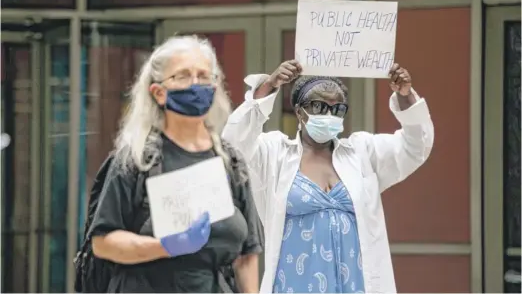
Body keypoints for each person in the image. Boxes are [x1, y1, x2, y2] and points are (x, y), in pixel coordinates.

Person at [222, 60, 434, 293]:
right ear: (299, 111)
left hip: (356, 284)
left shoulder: (362, 152)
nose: (329, 114)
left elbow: (416, 147)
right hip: (293, 284)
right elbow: (233, 145)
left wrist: (405, 98)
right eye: (319, 106)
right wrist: (268, 88)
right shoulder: (275, 153)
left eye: (337, 109)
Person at [89, 35, 262, 293]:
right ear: (158, 92)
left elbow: (247, 254)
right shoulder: (137, 160)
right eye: (182, 76)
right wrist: (165, 247)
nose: (196, 84)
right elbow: (103, 242)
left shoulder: (230, 162)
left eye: (204, 76)